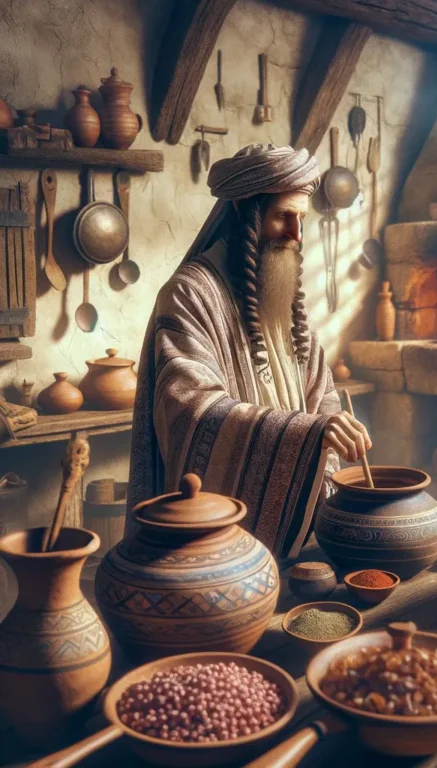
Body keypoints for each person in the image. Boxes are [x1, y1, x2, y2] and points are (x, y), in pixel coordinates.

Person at [127, 144, 371, 559]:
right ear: (244, 212)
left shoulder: (283, 294)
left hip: (295, 516)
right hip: (211, 526)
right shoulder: (189, 293)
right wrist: (308, 433)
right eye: (283, 217)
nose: (296, 234)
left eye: (302, 219)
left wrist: (332, 424)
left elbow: (320, 390)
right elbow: (189, 408)